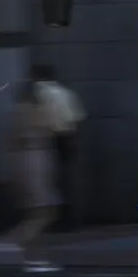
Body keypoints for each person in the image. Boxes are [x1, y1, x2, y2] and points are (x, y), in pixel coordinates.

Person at [0, 80, 62, 274]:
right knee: (45, 212)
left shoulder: (16, 112)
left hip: (23, 160)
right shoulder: (36, 111)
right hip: (36, 160)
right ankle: (9, 242)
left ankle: (34, 258)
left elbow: (13, 141)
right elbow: (53, 128)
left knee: (34, 212)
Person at [30, 63, 86, 231]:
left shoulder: (37, 92)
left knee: (47, 181)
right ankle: (68, 218)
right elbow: (76, 118)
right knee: (64, 179)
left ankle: (51, 218)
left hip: (45, 138)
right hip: (66, 136)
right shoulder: (66, 93)